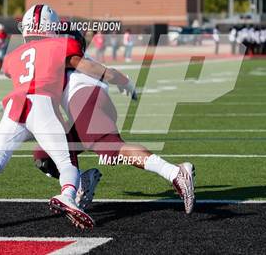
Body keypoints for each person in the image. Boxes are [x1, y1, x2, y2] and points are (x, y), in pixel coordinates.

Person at [0, 4, 136, 230]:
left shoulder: (14, 55)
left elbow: (16, 68)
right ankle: (67, 195)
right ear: (52, 27)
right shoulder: (61, 44)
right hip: (41, 104)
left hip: (15, 106)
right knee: (66, 162)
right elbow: (90, 67)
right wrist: (120, 79)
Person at [33, 51, 196, 214]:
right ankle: (83, 181)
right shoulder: (58, 52)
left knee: (113, 149)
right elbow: (101, 70)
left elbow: (82, 63)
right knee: (45, 155)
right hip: (86, 103)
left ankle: (175, 172)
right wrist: (122, 80)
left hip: (84, 99)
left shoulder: (58, 49)